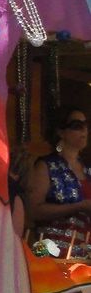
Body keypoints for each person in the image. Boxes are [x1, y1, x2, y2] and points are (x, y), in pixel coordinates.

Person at [27, 108, 91, 256]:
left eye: (86, 125)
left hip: (84, 254)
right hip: (51, 252)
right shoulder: (47, 165)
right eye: (77, 126)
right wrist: (79, 206)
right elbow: (33, 210)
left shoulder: (88, 170)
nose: (84, 130)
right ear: (61, 132)